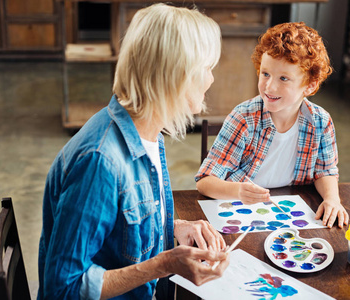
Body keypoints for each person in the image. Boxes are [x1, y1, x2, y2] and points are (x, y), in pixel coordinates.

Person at [38, 4, 229, 299]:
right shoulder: (99, 162)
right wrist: (164, 263)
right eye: (206, 69)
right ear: (176, 75)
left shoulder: (146, 132)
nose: (211, 79)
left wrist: (173, 228)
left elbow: (121, 226)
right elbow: (63, 288)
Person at [195, 22, 349, 229]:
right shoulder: (244, 118)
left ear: (310, 86)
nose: (269, 86)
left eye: (284, 78)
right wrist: (238, 191)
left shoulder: (320, 122)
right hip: (238, 215)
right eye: (265, 73)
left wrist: (332, 199)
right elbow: (205, 182)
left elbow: (325, 171)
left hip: (287, 216)